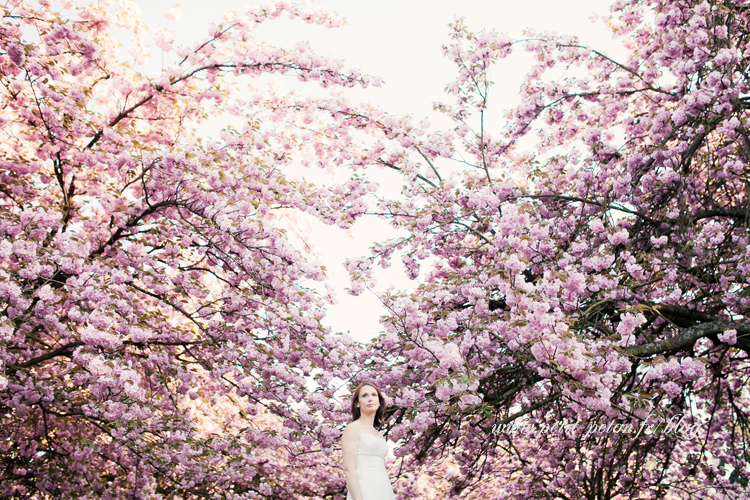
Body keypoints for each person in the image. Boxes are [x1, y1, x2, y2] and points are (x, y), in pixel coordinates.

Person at [341, 382, 396, 500]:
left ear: (379, 402)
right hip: (363, 489)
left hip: (383, 488)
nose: (370, 399)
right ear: (357, 404)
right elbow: (348, 469)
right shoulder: (353, 428)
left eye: (373, 395)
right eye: (364, 395)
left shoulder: (378, 434)